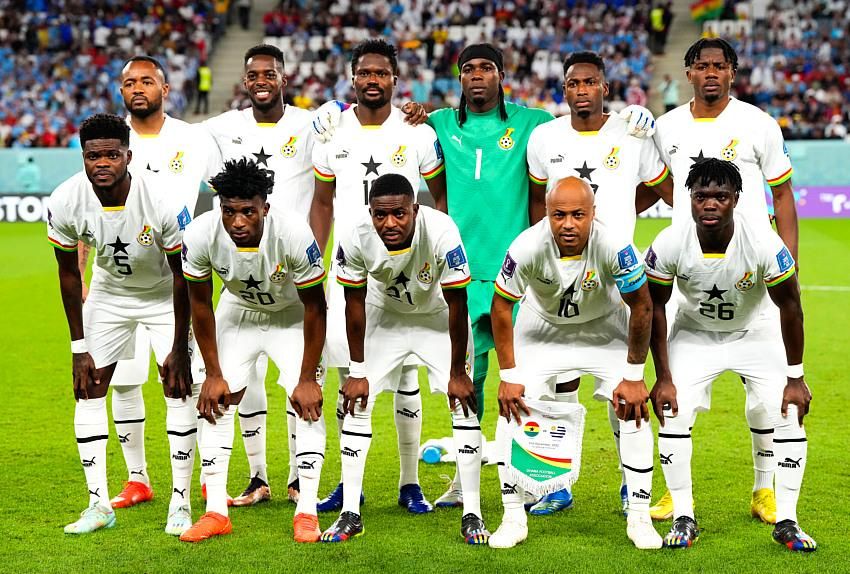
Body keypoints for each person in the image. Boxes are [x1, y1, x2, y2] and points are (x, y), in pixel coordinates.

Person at [312, 42, 658, 509]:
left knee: (545, 384)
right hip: (457, 278)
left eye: (487, 68)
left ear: (502, 74)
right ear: (458, 78)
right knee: (466, 385)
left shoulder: (535, 125)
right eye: (468, 69)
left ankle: (555, 484)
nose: (478, 75)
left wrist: (630, 119)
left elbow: (581, 146)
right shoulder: (433, 125)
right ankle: (463, 480)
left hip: (523, 278)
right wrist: (334, 110)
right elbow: (401, 129)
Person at [651, 37, 798, 524]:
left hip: (752, 273)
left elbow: (783, 196)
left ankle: (765, 489)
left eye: (720, 66)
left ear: (732, 72)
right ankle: (675, 495)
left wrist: (788, 259)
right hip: (686, 273)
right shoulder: (666, 127)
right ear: (688, 72)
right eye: (701, 65)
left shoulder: (757, 124)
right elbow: (644, 184)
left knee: (768, 405)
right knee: (673, 396)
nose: (711, 73)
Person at [524, 50, 673, 515]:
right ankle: (557, 483)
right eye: (573, 83)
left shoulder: (630, 133)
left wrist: (624, 209)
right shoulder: (544, 137)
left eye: (590, 82)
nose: (581, 90)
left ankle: (632, 483)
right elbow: (536, 203)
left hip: (617, 280)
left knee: (623, 384)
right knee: (559, 385)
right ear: (564, 89)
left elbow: (664, 188)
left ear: (604, 87)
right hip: (561, 279)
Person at [645, 158, 815, 551]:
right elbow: (654, 307)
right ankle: (684, 516)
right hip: (695, 333)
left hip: (755, 332)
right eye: (701, 195)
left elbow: (791, 306)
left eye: (720, 196)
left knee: (788, 412)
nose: (709, 204)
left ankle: (787, 521)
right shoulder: (670, 242)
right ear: (688, 198)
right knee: (673, 411)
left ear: (736, 199)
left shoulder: (762, 242)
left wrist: (796, 377)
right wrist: (663, 377)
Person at [309, 39, 447, 514]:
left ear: (394, 78)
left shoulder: (418, 133)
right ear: (352, 78)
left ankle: (410, 483)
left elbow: (440, 199)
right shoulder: (330, 131)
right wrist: (315, 257)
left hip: (408, 274)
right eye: (364, 73)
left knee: (406, 377)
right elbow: (322, 202)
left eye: (381, 73)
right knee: (351, 375)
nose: (373, 80)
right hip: (349, 273)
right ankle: (350, 488)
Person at [488, 176, 660, 550]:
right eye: (559, 215)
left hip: (603, 328)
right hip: (543, 329)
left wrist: (633, 375)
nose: (568, 224)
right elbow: (501, 306)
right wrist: (509, 376)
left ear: (593, 214)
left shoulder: (615, 245)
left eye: (578, 215)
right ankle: (512, 516)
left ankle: (640, 516)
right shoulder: (528, 245)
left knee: (632, 409)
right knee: (512, 409)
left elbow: (643, 304)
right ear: (547, 215)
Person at [86, 56, 219, 522]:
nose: (137, 88)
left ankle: (202, 475)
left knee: (185, 380)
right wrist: (86, 285)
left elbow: (226, 191)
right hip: (117, 281)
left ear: (165, 86)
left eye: (146, 81)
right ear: (120, 91)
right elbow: (87, 214)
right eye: (128, 82)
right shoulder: (108, 140)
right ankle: (138, 479)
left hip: (176, 280)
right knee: (123, 380)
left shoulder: (193, 138)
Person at [321, 173, 487, 545]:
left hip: (436, 319)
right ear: (370, 212)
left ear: (415, 209)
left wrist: (458, 372)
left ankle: (472, 512)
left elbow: (459, 304)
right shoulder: (355, 234)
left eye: (399, 214)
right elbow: (354, 304)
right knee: (357, 404)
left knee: (463, 405)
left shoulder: (442, 231)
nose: (390, 223)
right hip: (385, 319)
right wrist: (358, 371)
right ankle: (351, 512)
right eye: (381, 215)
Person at [47, 113, 193, 534]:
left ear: (129, 156)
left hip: (164, 295)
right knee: (89, 388)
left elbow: (184, 276)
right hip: (109, 294)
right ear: (83, 158)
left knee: (177, 387)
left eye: (113, 154)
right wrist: (79, 349)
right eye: (94, 156)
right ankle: (98, 505)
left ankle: (180, 503)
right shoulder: (66, 199)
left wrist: (180, 345)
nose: (103, 163)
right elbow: (69, 275)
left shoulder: (161, 200)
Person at [178, 158, 328, 543]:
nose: (238, 221)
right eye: (229, 211)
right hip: (239, 311)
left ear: (265, 207)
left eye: (248, 211)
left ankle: (307, 511)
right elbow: (200, 305)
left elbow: (316, 306)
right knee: (215, 398)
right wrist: (213, 373)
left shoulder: (294, 234)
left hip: (291, 314)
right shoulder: (199, 235)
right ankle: (215, 512)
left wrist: (308, 377)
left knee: (308, 403)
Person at [204, 44, 318, 506]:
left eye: (269, 72)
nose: (260, 80)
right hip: (241, 272)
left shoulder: (313, 123)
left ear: (284, 78)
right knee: (238, 382)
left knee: (300, 383)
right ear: (244, 81)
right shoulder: (222, 128)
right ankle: (257, 478)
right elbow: (165, 136)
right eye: (252, 74)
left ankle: (296, 480)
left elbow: (362, 117)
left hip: (295, 271)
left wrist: (419, 113)